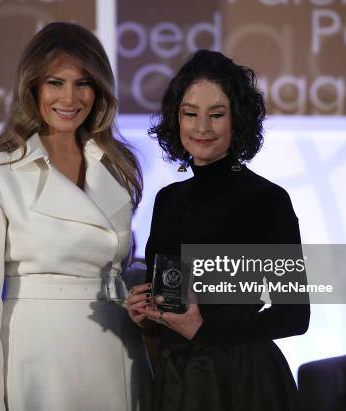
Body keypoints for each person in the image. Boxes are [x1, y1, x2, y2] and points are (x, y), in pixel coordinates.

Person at [0, 22, 150, 411]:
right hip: (38, 355)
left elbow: (119, 269)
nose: (69, 97)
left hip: (116, 349)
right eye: (55, 83)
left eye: (83, 83)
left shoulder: (116, 166)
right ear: (32, 87)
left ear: (98, 90)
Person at [126, 50, 310, 411]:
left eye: (216, 114)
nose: (201, 128)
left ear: (237, 119)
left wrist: (206, 331)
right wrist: (146, 317)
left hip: (241, 378)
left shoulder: (267, 199)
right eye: (190, 114)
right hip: (176, 375)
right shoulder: (168, 199)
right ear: (176, 119)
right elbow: (169, 301)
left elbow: (295, 315)